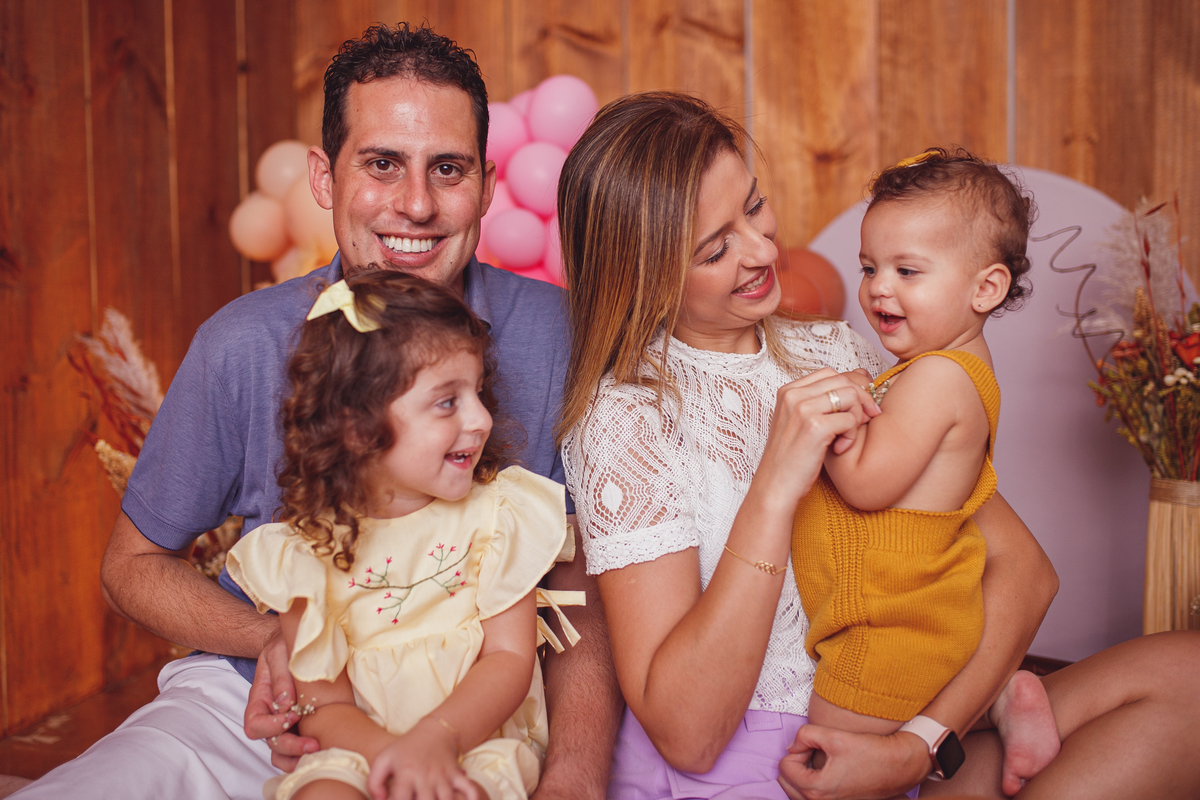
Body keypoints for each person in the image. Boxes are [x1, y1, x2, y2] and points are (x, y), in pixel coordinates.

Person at [13, 23, 620, 800]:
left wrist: (573, 777)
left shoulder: (561, 336)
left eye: (447, 168)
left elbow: (585, 594)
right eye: (382, 165)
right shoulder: (243, 341)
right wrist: (279, 641)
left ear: (489, 186)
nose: (416, 204)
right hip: (270, 703)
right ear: (325, 178)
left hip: (483, 709)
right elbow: (131, 567)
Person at [556, 90, 1200, 800]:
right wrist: (774, 485)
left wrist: (916, 746)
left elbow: (1023, 574)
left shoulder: (831, 348)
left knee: (1188, 678)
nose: (764, 249)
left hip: (895, 725)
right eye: (716, 248)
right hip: (770, 771)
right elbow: (689, 732)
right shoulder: (626, 415)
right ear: (644, 274)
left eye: (756, 206)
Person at [227, 272, 572, 800]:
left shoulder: (499, 516)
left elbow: (509, 660)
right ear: (359, 429)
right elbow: (327, 706)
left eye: (477, 392)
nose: (481, 418)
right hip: (359, 748)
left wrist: (434, 742)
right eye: (446, 402)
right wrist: (395, 762)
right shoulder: (305, 553)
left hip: (469, 742)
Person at [791, 147, 1059, 796]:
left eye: (908, 270)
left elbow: (864, 485)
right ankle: (1000, 698)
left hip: (888, 629)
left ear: (985, 288)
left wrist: (839, 414)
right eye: (869, 267)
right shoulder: (943, 370)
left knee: (826, 755)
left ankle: (994, 707)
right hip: (921, 617)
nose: (879, 287)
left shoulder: (938, 378)